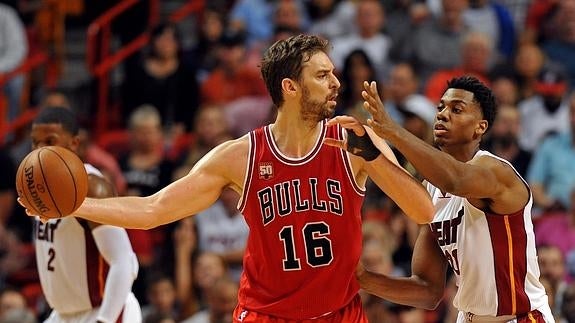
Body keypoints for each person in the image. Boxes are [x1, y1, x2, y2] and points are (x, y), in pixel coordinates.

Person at [22, 34, 434, 322]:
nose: (336, 83)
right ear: (290, 87)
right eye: (322, 75)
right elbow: (154, 209)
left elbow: (422, 210)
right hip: (265, 315)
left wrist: (372, 157)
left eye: (333, 73)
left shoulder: (354, 141)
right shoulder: (241, 155)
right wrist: (75, 205)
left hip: (340, 314)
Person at [327, 76, 554, 322]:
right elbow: (427, 290)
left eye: (456, 109)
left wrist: (392, 131)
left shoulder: (497, 171)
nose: (443, 114)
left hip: (520, 317)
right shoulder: (433, 191)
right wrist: (360, 277)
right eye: (441, 107)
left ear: (480, 127)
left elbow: (455, 180)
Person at [29, 107, 142, 323]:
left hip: (104, 310)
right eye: (35, 142)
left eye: (49, 141)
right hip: (63, 314)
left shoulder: (90, 187)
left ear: (74, 144)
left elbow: (124, 261)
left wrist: (105, 319)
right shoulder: (36, 186)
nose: (40, 149)